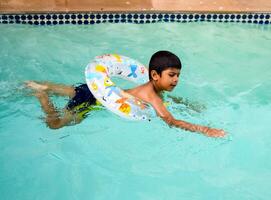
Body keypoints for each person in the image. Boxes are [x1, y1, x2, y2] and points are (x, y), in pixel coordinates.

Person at [25, 51, 225, 137]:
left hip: (93, 89)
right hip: (91, 102)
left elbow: (169, 101)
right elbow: (171, 121)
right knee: (55, 125)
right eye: (172, 75)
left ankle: (42, 86)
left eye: (178, 75)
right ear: (154, 75)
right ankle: (42, 96)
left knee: (73, 91)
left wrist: (188, 104)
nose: (176, 80)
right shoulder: (153, 98)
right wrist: (205, 130)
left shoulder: (152, 89)